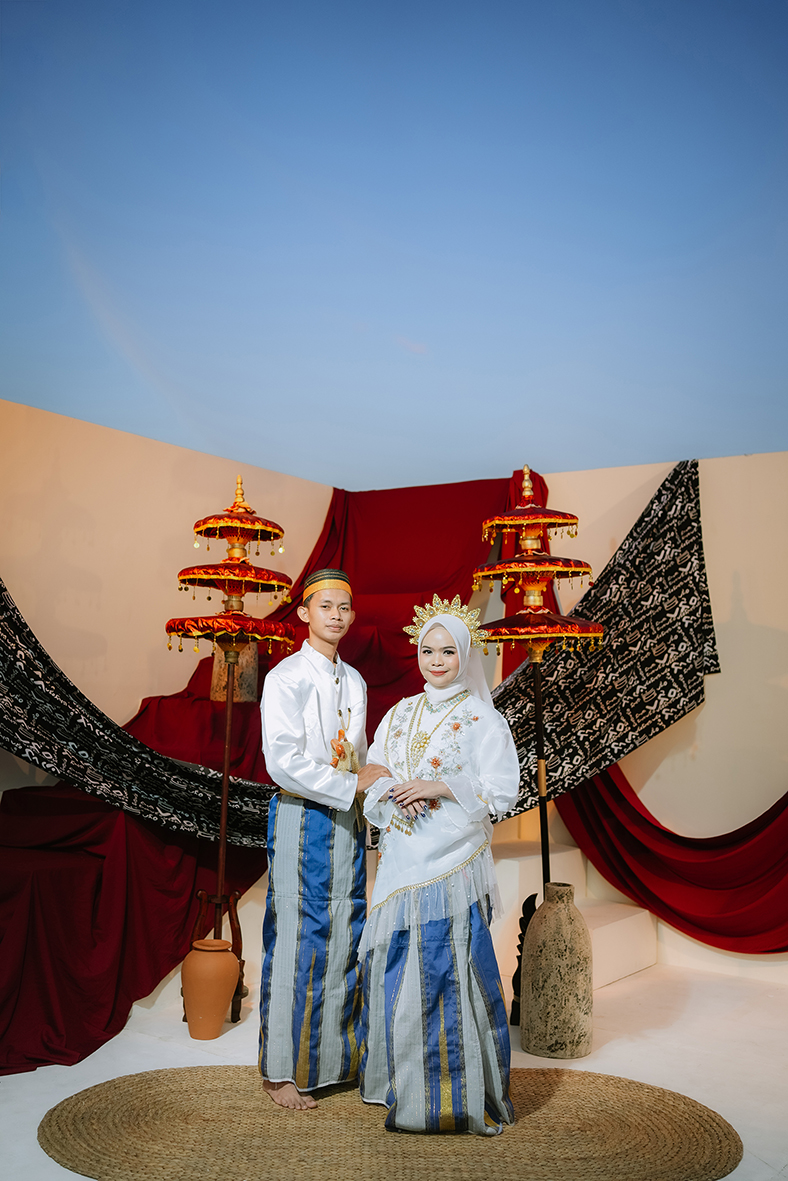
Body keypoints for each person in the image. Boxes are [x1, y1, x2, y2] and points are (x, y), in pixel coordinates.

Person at [359, 594, 519, 1135]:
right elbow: (374, 767)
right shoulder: (400, 712)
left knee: (447, 969)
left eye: (448, 652)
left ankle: (452, 1097)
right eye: (428, 650)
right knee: (398, 967)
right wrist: (392, 792)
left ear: (465, 655)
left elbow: (502, 791)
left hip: (450, 862)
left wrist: (440, 787)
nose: (436, 661)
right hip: (402, 856)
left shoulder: (482, 719)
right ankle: (400, 1085)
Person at [258, 568, 389, 1110]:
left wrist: (372, 794)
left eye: (344, 607)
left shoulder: (354, 681)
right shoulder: (285, 678)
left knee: (346, 933)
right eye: (326, 606)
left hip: (346, 820)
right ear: (304, 613)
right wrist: (350, 784)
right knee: (297, 936)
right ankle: (280, 1071)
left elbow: (357, 755)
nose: (336, 615)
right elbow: (282, 761)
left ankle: (333, 1061)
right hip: (301, 815)